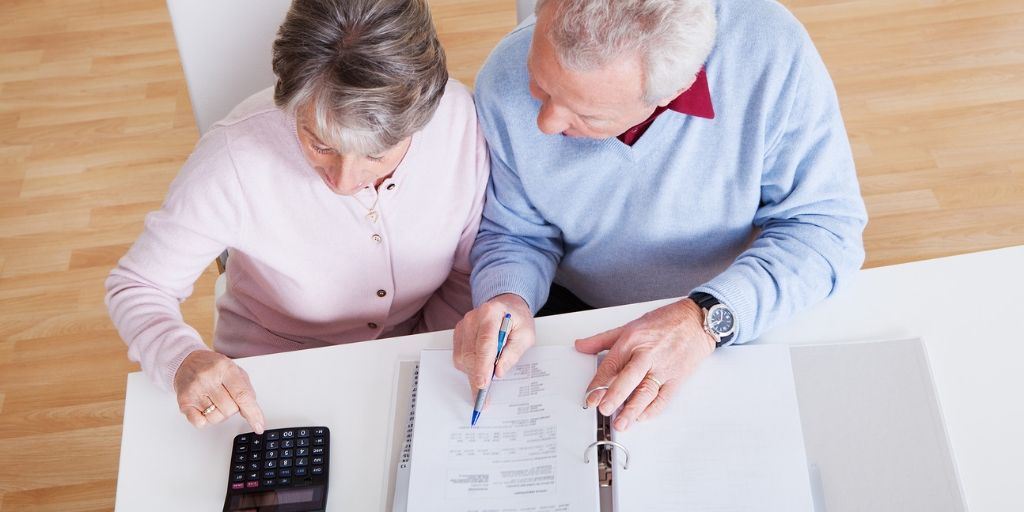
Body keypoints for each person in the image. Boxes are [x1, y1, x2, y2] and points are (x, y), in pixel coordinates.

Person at [454, 0, 867, 432]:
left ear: (675, 90)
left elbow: (824, 228)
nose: (545, 123)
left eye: (588, 114)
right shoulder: (504, 74)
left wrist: (704, 319)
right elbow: (516, 233)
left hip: (729, 308)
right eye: (539, 83)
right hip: (575, 314)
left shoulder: (770, 50)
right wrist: (507, 298)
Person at [106, 0, 488, 433]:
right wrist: (181, 358)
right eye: (320, 143)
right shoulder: (235, 157)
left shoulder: (458, 121)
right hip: (269, 382)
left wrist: (425, 362)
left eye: (376, 155)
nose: (344, 181)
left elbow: (464, 272)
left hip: (420, 362)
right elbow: (139, 286)